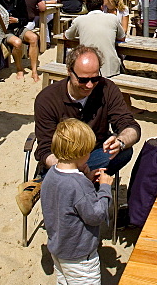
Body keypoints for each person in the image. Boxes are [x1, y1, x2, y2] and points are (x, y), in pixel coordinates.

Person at [20, 45, 140, 214]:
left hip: (95, 155)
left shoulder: (106, 88)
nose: (90, 85)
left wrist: (120, 141)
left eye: (95, 78)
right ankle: (63, 181)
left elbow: (130, 126)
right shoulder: (47, 99)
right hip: (62, 162)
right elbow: (46, 150)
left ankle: (43, 184)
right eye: (83, 80)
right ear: (69, 71)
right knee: (66, 173)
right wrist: (74, 169)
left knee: (125, 151)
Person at [40, 118, 114, 285]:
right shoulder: (78, 185)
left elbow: (65, 200)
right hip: (80, 255)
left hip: (59, 247)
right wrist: (104, 189)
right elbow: (96, 215)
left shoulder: (51, 176)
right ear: (81, 153)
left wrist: (88, 179)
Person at [65, 0, 126, 77]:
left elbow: (67, 36)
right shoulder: (113, 18)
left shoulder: (79, 20)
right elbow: (122, 37)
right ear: (101, 6)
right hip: (110, 68)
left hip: (87, 67)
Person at [0, 0, 39, 81]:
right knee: (17, 42)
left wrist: (17, 20)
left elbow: (26, 19)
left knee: (34, 38)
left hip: (18, 27)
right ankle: (19, 69)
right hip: (4, 30)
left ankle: (34, 71)